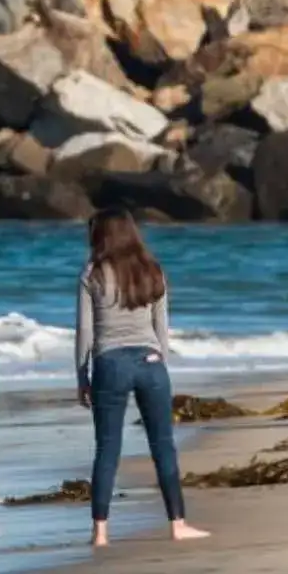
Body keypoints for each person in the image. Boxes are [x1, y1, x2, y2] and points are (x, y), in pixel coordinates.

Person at [74, 207, 208, 547]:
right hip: (150, 363)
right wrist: (158, 359)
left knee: (107, 449)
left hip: (109, 364)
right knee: (163, 446)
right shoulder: (153, 270)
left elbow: (85, 332)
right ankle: (178, 524)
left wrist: (81, 375)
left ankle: (100, 532)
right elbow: (162, 327)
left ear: (101, 235)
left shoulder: (92, 273)